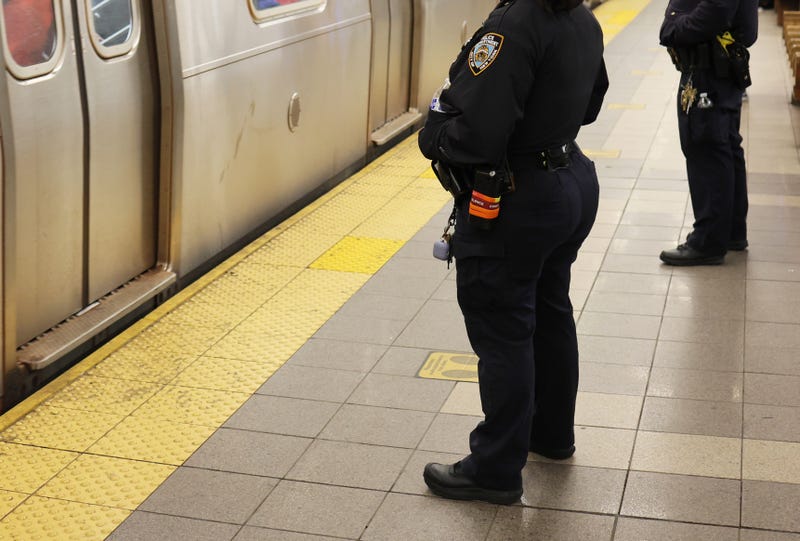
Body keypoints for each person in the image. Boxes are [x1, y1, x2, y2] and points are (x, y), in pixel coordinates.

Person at [417, 0, 607, 504]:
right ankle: (551, 435)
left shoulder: (512, 24)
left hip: (520, 200)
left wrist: (433, 133)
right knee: (549, 311)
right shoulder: (582, 18)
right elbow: (592, 103)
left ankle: (496, 467)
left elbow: (477, 133)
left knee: (503, 329)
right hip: (570, 183)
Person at [658, 0, 758, 266]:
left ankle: (709, 241)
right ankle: (732, 231)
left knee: (707, 146)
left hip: (709, 69)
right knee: (725, 144)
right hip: (721, 67)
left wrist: (674, 27)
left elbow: (716, 9)